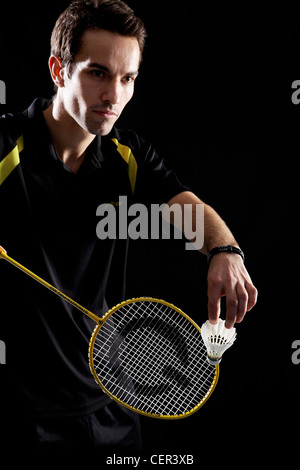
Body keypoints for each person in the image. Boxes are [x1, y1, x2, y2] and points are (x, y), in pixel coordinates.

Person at [0, 0, 257, 452]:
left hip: (111, 409)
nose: (114, 96)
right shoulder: (5, 146)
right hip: (19, 415)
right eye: (98, 73)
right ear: (59, 71)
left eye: (127, 78)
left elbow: (188, 209)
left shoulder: (127, 155)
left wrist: (225, 252)